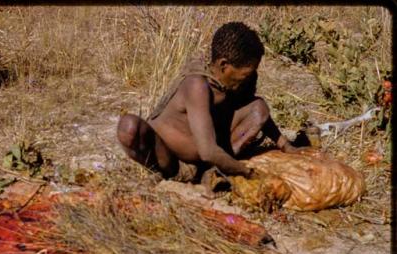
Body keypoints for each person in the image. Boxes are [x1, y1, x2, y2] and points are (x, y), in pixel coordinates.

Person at [117, 21, 298, 187]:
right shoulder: (197, 85)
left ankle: (214, 170)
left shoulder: (234, 80)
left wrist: (284, 144)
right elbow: (207, 152)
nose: (248, 78)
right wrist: (248, 173)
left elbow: (256, 110)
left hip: (207, 159)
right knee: (128, 126)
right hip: (171, 160)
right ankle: (165, 174)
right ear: (224, 65)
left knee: (259, 108)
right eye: (245, 74)